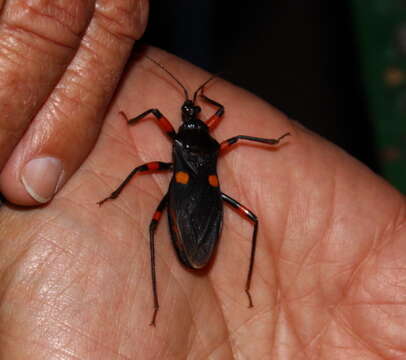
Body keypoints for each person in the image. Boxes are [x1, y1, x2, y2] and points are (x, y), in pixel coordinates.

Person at [1, 3, 405, 359]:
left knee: (156, 217)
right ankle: (168, 295)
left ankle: (163, 294)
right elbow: (222, 119)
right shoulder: (211, 141)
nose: (195, 117)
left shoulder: (180, 135)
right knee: (246, 219)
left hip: (184, 187)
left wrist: (119, 185)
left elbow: (158, 138)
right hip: (206, 192)